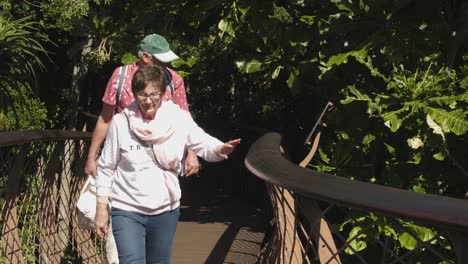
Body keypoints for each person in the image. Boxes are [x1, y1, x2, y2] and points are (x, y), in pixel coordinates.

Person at [94, 64, 241, 263]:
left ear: (163, 93)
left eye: (154, 94)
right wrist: (101, 207)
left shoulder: (177, 118)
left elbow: (202, 142)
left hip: (165, 209)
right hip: (126, 208)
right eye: (142, 94)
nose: (148, 101)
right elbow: (106, 167)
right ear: (134, 94)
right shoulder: (121, 123)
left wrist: (220, 149)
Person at [85, 33, 200, 178]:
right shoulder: (121, 76)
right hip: (125, 160)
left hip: (162, 162)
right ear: (146, 57)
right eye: (162, 61)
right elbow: (105, 119)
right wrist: (91, 158)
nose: (166, 66)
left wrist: (192, 153)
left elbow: (184, 120)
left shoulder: (173, 80)